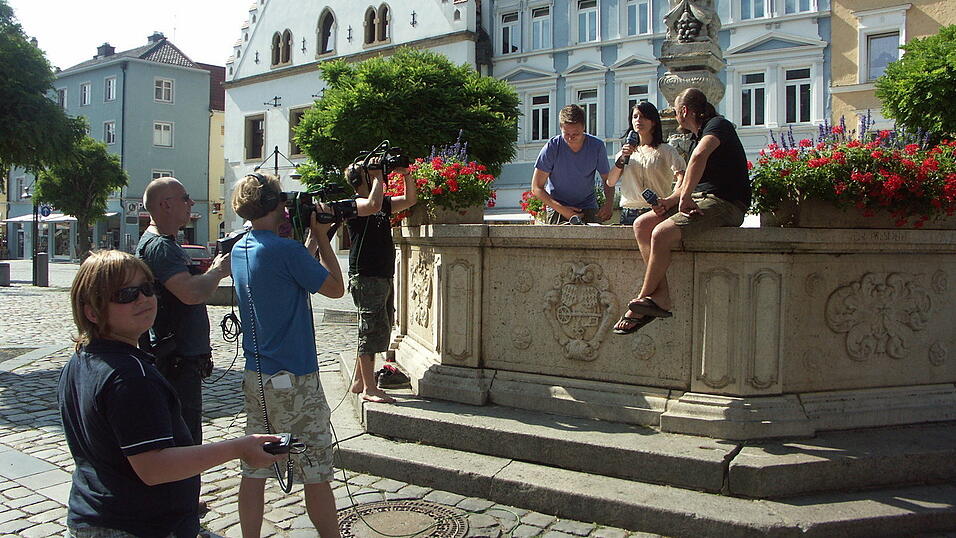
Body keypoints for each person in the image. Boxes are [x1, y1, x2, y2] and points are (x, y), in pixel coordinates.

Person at [59, 250, 283, 538]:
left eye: (147, 288)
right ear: (92, 311)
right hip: (136, 526)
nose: (142, 299)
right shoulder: (129, 377)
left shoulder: (82, 359)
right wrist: (240, 447)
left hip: (93, 516)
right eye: (125, 294)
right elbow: (154, 467)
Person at [230, 173, 345, 538]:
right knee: (315, 469)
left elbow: (290, 273)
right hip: (295, 377)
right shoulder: (286, 250)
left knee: (256, 465)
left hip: (258, 375)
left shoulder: (241, 248)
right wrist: (324, 239)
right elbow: (335, 289)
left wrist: (308, 241)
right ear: (277, 204)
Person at [614, 88, 750, 334]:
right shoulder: (698, 136)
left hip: (725, 203)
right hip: (702, 197)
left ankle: (642, 300)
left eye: (676, 111)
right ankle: (661, 296)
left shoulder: (718, 125)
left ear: (684, 110)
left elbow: (698, 157)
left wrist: (684, 198)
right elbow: (690, 180)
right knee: (642, 225)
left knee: (661, 233)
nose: (675, 115)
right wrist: (671, 200)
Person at [137, 177, 231, 445]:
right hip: (175, 361)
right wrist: (219, 271)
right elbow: (191, 293)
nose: (191, 203)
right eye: (185, 197)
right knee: (184, 438)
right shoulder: (160, 247)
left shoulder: (165, 243)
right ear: (166, 205)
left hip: (178, 357)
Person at [347, 160, 417, 403]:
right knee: (370, 330)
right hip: (366, 274)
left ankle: (359, 381)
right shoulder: (353, 205)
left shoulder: (382, 204)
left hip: (382, 273)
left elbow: (409, 200)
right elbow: (372, 204)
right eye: (369, 176)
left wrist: (406, 174)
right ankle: (369, 388)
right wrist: (378, 178)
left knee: (379, 328)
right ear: (361, 180)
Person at [531, 104, 614, 224]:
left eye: (576, 134)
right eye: (566, 134)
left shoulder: (597, 146)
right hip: (557, 207)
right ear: (561, 128)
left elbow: (608, 180)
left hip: (587, 206)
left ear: (584, 127)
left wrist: (609, 204)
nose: (571, 138)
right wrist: (565, 211)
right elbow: (537, 187)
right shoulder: (552, 147)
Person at [606, 102, 686, 226]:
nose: (639, 120)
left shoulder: (666, 150)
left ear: (653, 121)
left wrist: (671, 200)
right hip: (629, 213)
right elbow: (610, 182)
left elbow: (682, 177)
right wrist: (622, 159)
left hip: (656, 211)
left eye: (643, 117)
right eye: (635, 117)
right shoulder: (625, 152)